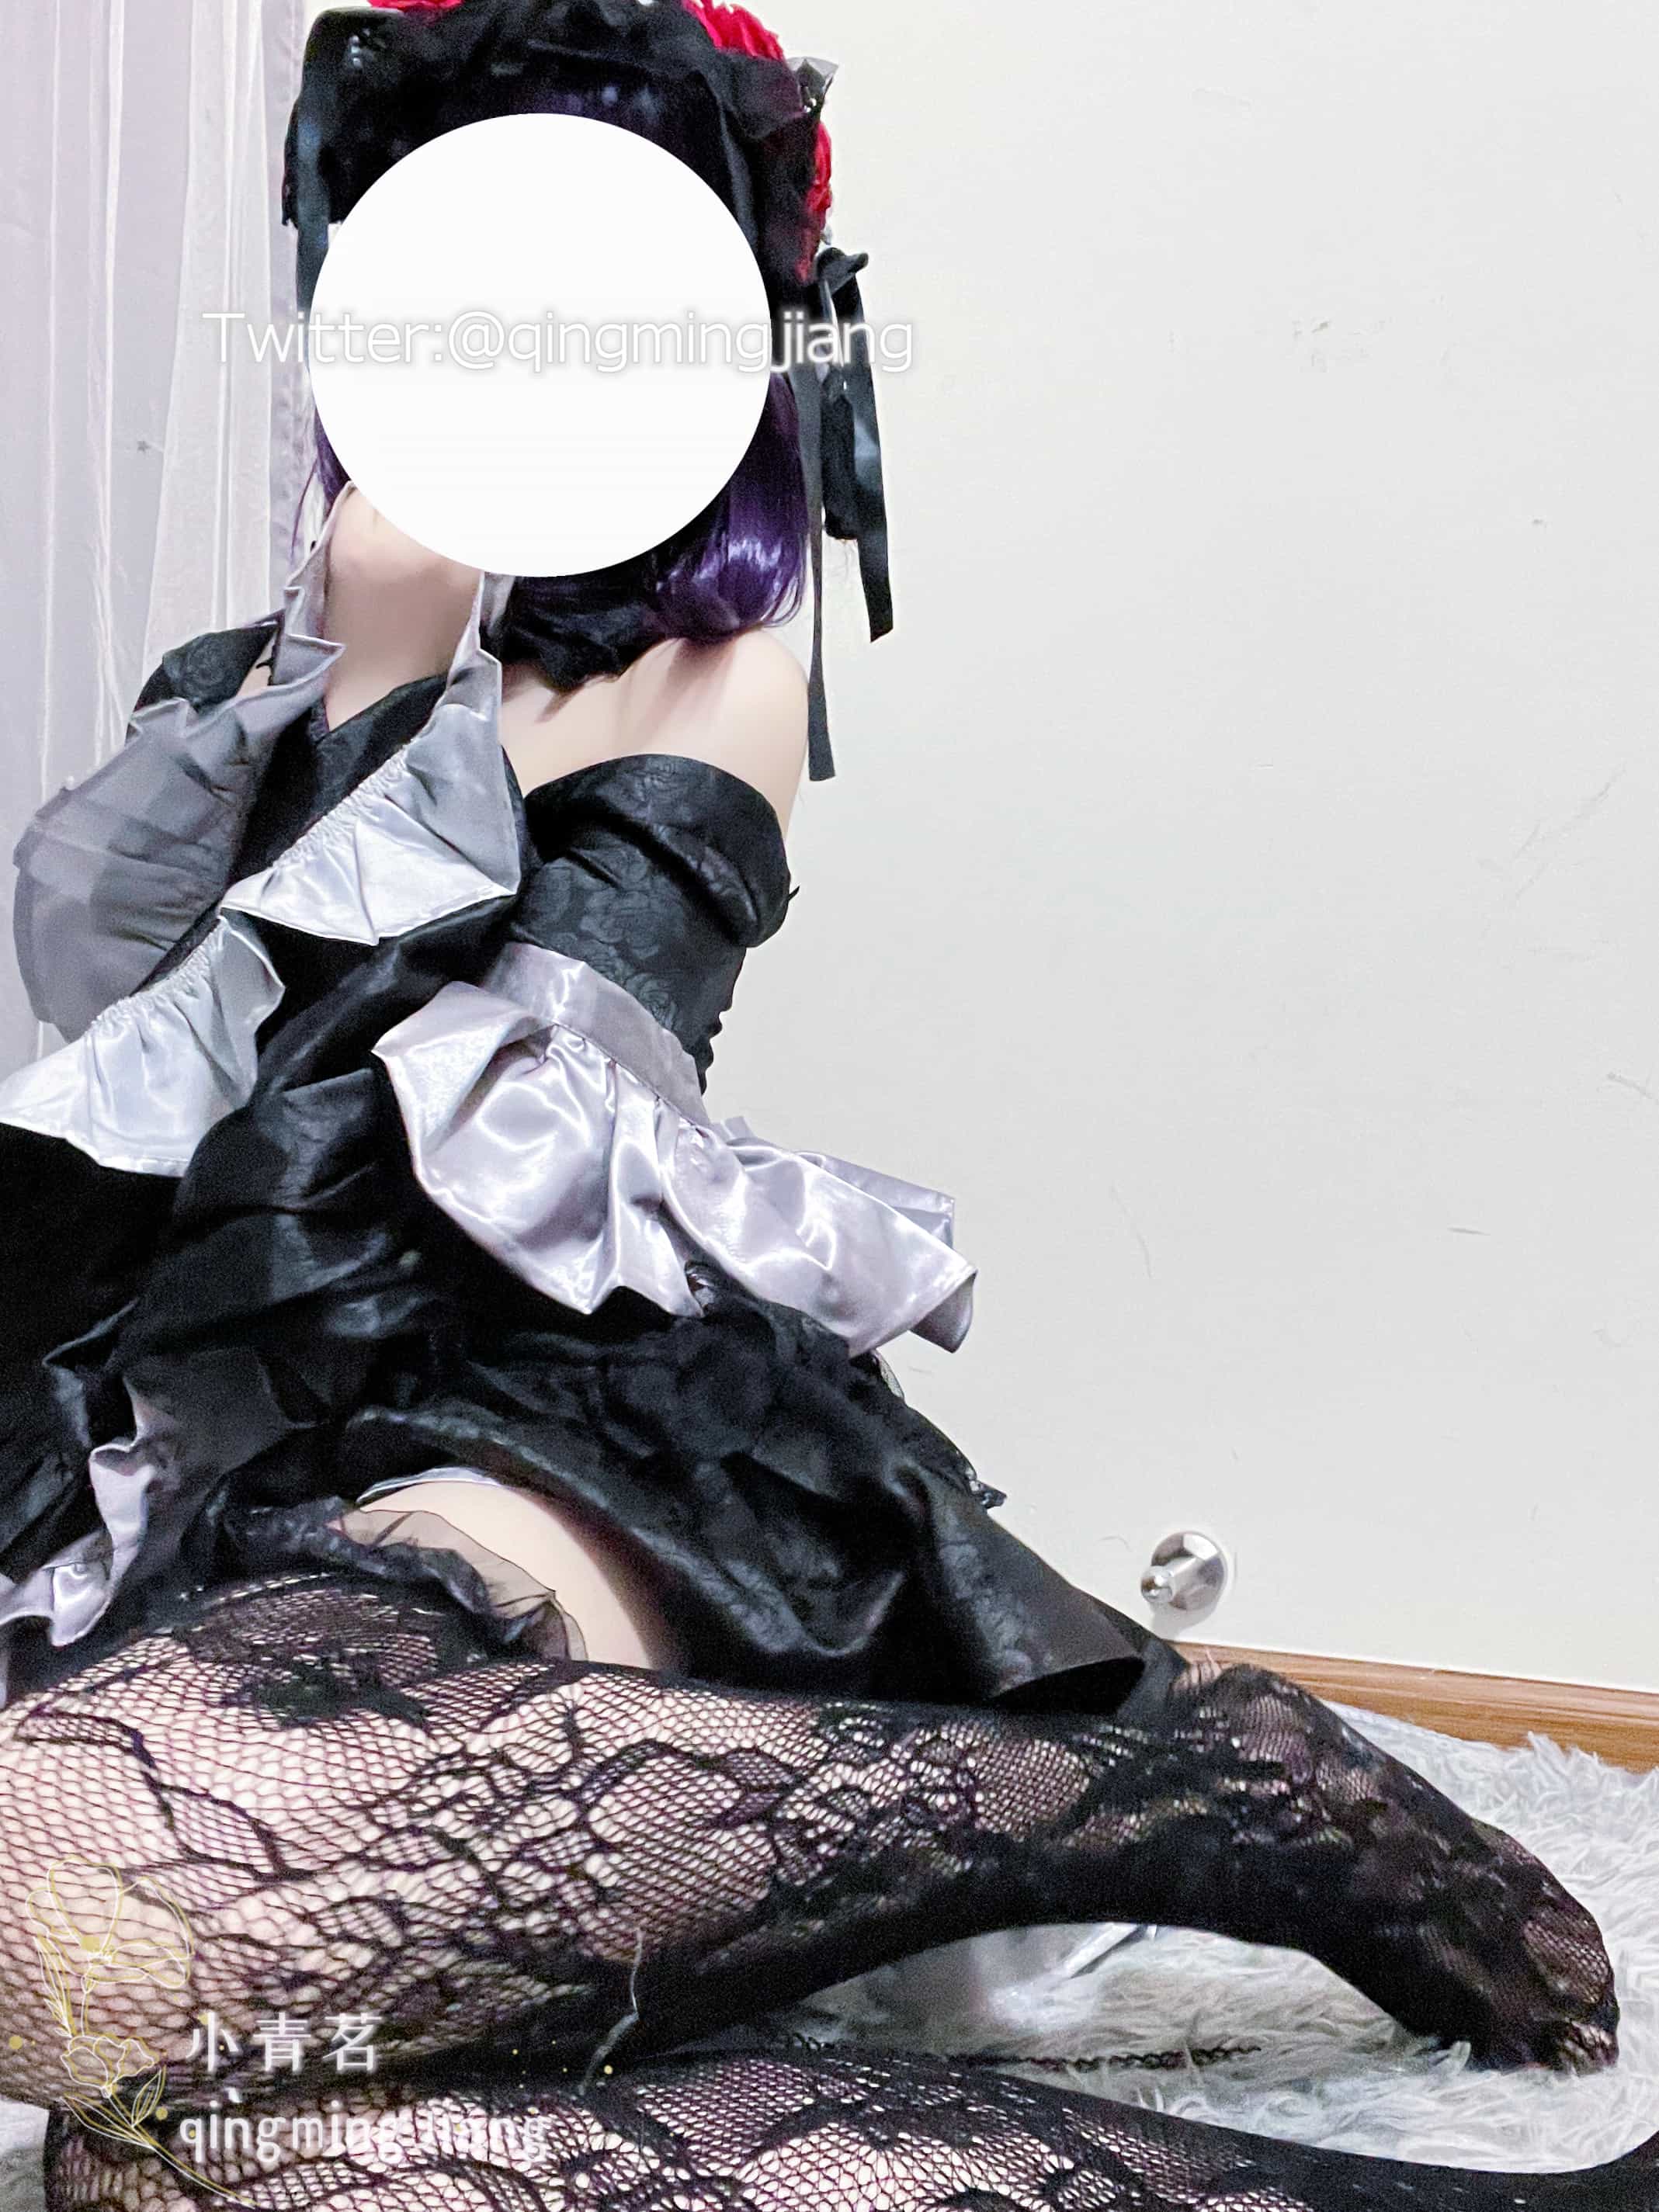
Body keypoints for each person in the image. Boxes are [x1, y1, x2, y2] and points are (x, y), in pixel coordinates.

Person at [0, 2, 1650, 2204]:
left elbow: (440, 1107)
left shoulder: (710, 667)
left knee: (74, 1875)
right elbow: (105, 1055)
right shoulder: (250, 686)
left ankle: (1198, 1799)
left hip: (544, 1399)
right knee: (192, 2155)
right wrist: (340, 666)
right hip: (217, 1419)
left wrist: (394, 689)